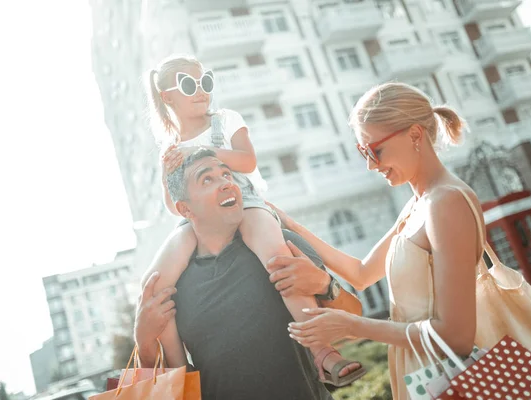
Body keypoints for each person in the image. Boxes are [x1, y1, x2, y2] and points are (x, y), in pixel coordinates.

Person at [141, 53, 364, 385]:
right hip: (195, 218)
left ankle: (321, 350)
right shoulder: (169, 147)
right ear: (167, 96)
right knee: (156, 284)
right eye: (189, 85)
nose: (202, 91)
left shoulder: (225, 120)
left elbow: (246, 161)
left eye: (206, 81)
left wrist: (203, 156)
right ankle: (182, 378)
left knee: (278, 258)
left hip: (245, 200)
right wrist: (167, 176)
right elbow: (175, 205)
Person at [266, 82, 487, 400]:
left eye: (374, 150)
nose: (370, 164)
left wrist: (353, 326)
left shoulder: (445, 203)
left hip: (454, 377)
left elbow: (457, 338)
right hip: (431, 374)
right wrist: (291, 226)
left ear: (414, 135)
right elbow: (361, 272)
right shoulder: (418, 205)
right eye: (362, 152)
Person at [134, 149, 364, 399]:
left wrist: (325, 285)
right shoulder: (175, 286)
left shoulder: (282, 245)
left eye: (226, 174)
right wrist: (143, 341)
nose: (225, 183)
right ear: (185, 209)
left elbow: (356, 324)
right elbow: (176, 389)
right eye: (207, 179)